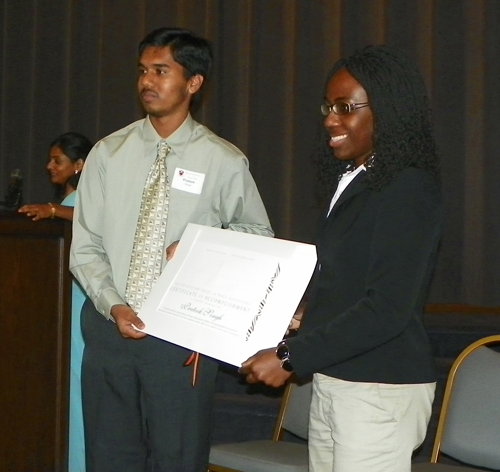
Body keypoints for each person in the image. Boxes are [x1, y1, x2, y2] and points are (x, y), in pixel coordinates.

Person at [70, 27, 273, 472]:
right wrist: (114, 305)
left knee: (177, 458)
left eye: (161, 71)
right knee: (109, 458)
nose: (147, 81)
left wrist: (207, 249)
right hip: (109, 328)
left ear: (193, 82)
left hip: (182, 336)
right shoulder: (108, 153)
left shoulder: (223, 160)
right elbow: (85, 246)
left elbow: (259, 235)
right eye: (143, 71)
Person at [240, 45, 443, 472]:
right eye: (329, 107)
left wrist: (290, 357)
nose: (330, 119)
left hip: (378, 389)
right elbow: (348, 287)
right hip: (338, 379)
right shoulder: (358, 179)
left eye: (345, 107)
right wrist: (297, 318)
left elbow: (388, 307)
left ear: (386, 108)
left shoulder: (407, 187)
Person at [19, 131, 93, 472]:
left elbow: (88, 221)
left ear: (79, 165)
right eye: (50, 159)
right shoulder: (64, 203)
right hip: (58, 301)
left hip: (78, 304)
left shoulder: (85, 201)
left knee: (76, 392)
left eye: (58, 160)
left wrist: (51, 210)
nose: (50, 166)